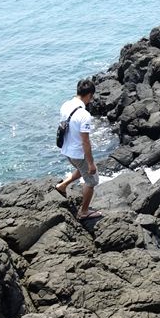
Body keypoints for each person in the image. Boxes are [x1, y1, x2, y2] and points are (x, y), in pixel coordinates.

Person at [55, 78, 101, 220]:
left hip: (66, 150)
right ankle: (84, 212)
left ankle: (62, 186)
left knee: (81, 169)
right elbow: (85, 142)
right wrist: (91, 163)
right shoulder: (84, 115)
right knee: (92, 181)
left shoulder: (65, 105)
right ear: (89, 95)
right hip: (77, 153)